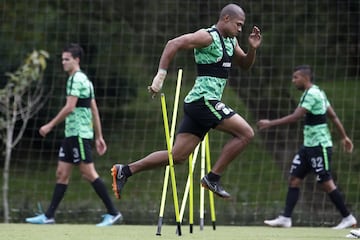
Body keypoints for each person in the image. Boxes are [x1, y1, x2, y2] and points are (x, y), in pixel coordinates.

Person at [111, 3, 261, 200]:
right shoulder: (207, 36)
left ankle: (125, 171)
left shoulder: (231, 41)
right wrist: (160, 77)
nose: (240, 29)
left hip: (200, 104)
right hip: (204, 101)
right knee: (246, 133)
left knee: (178, 156)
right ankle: (212, 178)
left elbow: (245, 65)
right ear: (226, 19)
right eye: (238, 24)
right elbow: (173, 44)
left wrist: (252, 48)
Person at [25, 43, 122, 226]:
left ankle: (113, 212)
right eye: (62, 59)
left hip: (79, 133)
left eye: (67, 59)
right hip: (72, 135)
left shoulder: (76, 79)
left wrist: (49, 125)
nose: (63, 62)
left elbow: (70, 107)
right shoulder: (83, 79)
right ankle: (49, 216)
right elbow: (93, 108)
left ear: (76, 60)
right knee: (62, 173)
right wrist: (99, 136)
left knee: (87, 172)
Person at [257, 65, 356, 229]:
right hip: (308, 146)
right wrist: (344, 137)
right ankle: (285, 218)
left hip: (319, 146)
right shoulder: (318, 92)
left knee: (326, 182)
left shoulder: (312, 94)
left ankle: (348, 217)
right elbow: (333, 116)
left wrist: (270, 123)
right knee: (294, 179)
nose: (293, 80)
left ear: (305, 78)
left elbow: (296, 117)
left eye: (296, 77)